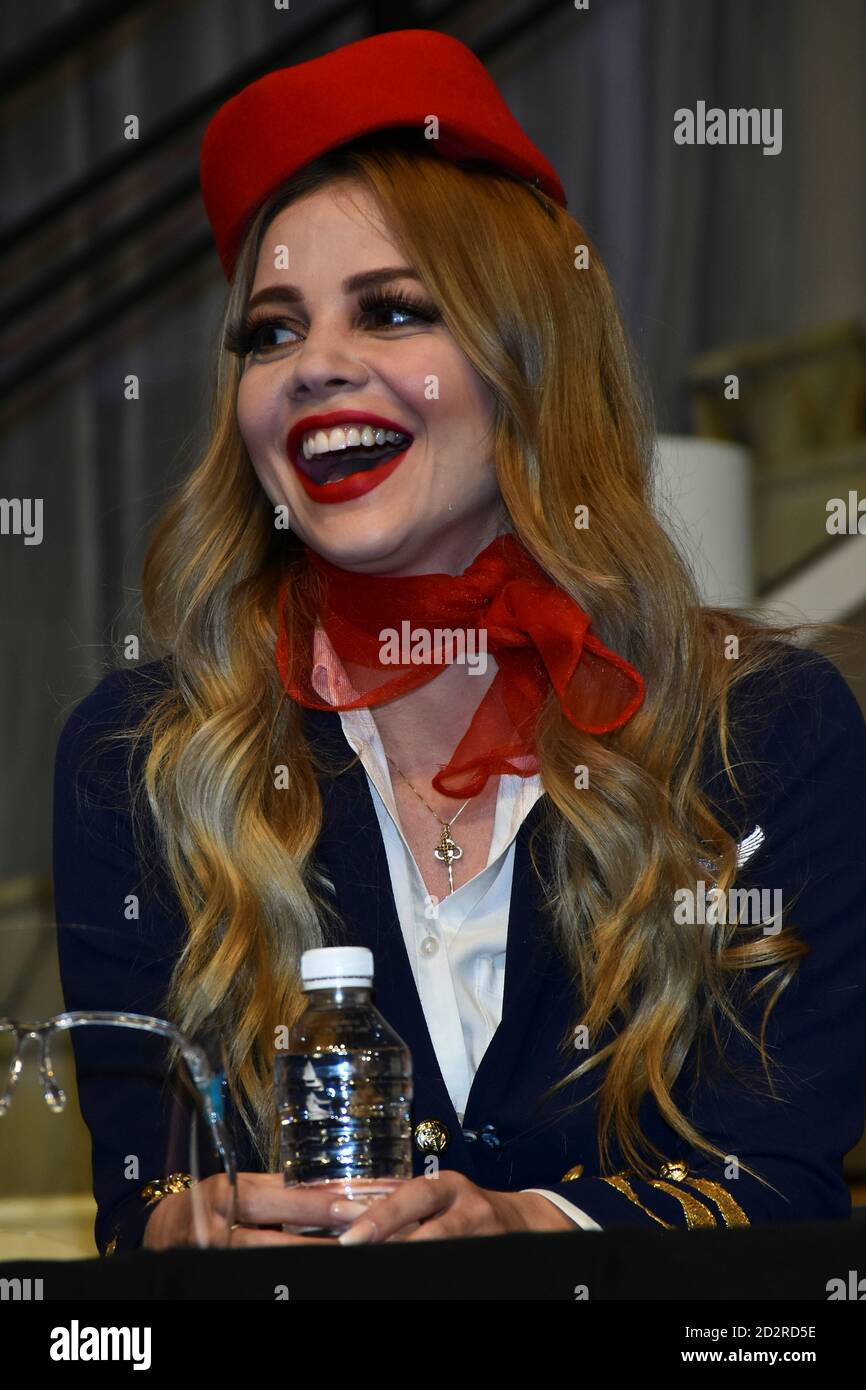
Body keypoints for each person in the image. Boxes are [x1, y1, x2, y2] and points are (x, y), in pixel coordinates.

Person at [53, 29, 866, 1257]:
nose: (316, 366)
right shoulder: (142, 761)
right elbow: (135, 1205)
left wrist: (533, 1224)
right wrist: (187, 1235)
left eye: (391, 311)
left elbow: (782, 1188)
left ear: (525, 359)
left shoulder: (763, 730)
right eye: (271, 333)